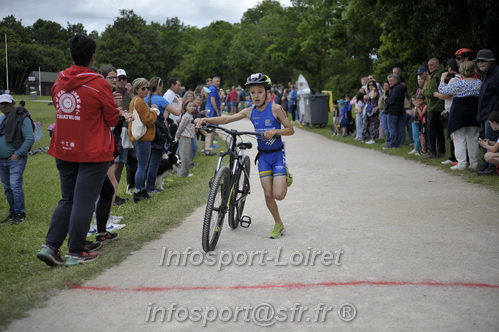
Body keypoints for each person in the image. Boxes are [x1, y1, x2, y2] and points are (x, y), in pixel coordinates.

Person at [37, 34, 120, 266]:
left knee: (68, 199)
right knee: (83, 201)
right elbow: (112, 117)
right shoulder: (99, 83)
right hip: (92, 150)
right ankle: (76, 251)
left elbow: (58, 106)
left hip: (64, 147)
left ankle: (50, 246)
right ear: (92, 58)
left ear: (71, 55)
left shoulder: (59, 81)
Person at [194, 73, 294, 239]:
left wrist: (275, 131)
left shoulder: (276, 109)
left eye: (259, 92)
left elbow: (290, 129)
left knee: (279, 195)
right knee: (268, 194)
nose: (256, 95)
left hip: (277, 155)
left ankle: (285, 174)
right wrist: (205, 119)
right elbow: (227, 119)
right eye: (252, 92)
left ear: (267, 92)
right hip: (263, 157)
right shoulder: (250, 111)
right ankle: (279, 224)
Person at [438, 61, 481, 170]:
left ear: (461, 71)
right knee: (473, 138)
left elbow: (442, 90)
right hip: (474, 111)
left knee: (459, 138)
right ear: (474, 70)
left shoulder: (458, 83)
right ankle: (474, 163)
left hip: (459, 112)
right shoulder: (479, 83)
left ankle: (461, 163)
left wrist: (442, 79)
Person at [0, 94, 34, 224]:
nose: (4, 106)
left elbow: (30, 138)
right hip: (2, 160)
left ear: (13, 104)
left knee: (15, 186)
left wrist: (18, 154)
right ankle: (12, 212)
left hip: (15, 159)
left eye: (7, 104)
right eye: (2, 104)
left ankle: (20, 213)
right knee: (7, 187)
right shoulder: (2, 119)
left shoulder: (22, 118)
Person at [145, 77, 182, 193]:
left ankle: (141, 186)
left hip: (146, 131)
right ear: (159, 87)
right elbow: (177, 112)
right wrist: (180, 103)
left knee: (145, 162)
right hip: (157, 132)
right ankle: (150, 187)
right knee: (155, 161)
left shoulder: (145, 98)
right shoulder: (160, 100)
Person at [128, 78, 159, 202]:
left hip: (139, 138)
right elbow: (147, 120)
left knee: (142, 165)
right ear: (136, 90)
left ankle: (141, 190)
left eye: (147, 88)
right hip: (143, 138)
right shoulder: (139, 101)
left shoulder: (135, 100)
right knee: (142, 166)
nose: (146, 90)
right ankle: (138, 192)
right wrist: (154, 112)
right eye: (143, 88)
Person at [475, 49, 499, 176]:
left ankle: (491, 167)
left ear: (490, 61)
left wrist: (495, 115)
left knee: (490, 139)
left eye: (483, 61)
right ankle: (485, 164)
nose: (480, 63)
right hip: (485, 113)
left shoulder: (496, 73)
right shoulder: (485, 74)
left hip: (492, 114)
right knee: (485, 139)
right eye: (478, 61)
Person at [422, 57, 446, 158]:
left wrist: (424, 91)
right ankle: (441, 151)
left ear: (437, 65)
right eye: (428, 65)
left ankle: (432, 151)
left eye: (432, 65)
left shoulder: (437, 75)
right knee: (439, 130)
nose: (429, 67)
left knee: (431, 130)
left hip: (435, 106)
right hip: (438, 106)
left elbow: (431, 92)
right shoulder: (437, 74)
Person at [175, 100, 196, 177]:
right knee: (183, 156)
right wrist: (177, 135)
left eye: (193, 106)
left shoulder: (190, 116)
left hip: (189, 137)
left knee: (187, 155)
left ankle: (186, 172)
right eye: (189, 106)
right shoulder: (185, 116)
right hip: (184, 137)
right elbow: (181, 127)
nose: (192, 108)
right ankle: (182, 173)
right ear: (186, 107)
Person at [384, 74, 405, 149]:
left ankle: (392, 144)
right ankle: (397, 143)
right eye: (389, 81)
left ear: (396, 80)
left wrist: (386, 99)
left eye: (391, 80)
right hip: (398, 111)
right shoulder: (399, 87)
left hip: (393, 111)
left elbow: (391, 100)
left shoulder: (396, 88)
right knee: (397, 128)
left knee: (392, 128)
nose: (390, 82)